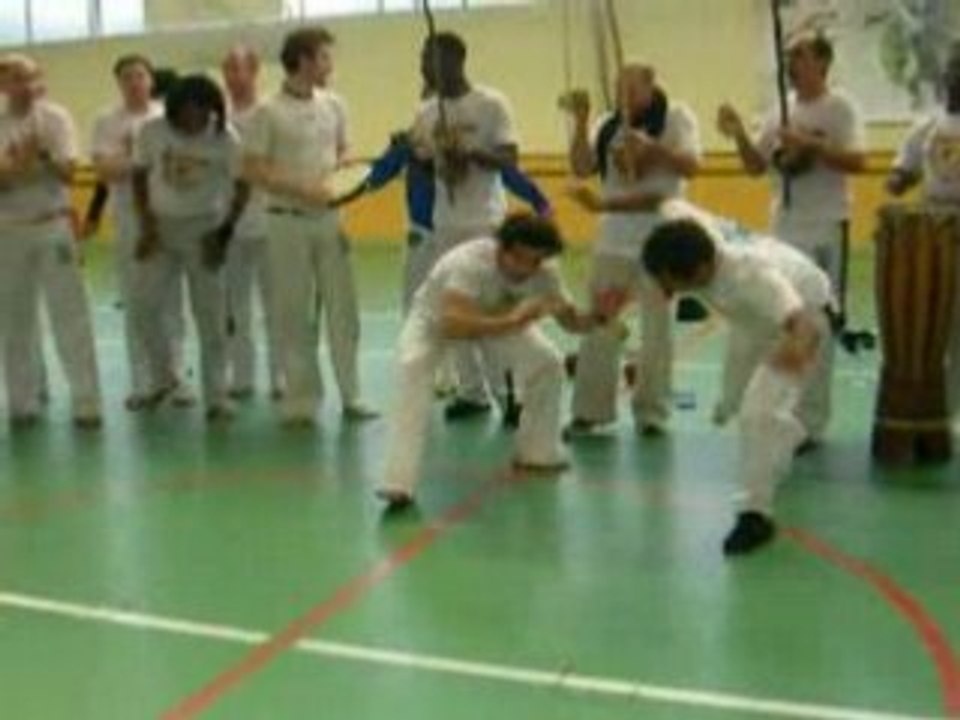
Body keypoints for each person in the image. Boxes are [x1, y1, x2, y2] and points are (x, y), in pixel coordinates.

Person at [642, 203, 835, 555]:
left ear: (699, 269)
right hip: (752, 324)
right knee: (733, 406)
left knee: (757, 414)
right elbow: (667, 203)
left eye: (671, 282)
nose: (667, 291)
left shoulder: (752, 278)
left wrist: (794, 353)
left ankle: (754, 515)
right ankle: (786, 431)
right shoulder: (696, 239)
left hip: (801, 321)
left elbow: (803, 324)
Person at [376, 213, 595, 511]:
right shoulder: (469, 263)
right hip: (435, 319)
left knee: (547, 364)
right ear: (501, 248)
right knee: (413, 369)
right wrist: (513, 320)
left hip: (496, 318)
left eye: (536, 261)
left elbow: (572, 323)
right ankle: (397, 483)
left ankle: (538, 452)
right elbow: (453, 324)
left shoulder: (545, 273)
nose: (526, 269)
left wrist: (600, 316)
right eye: (520, 258)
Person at [717, 32, 864, 452]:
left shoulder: (840, 107)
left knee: (818, 320)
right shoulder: (778, 112)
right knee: (781, 317)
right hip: (783, 227)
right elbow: (754, 167)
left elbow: (857, 161)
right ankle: (779, 409)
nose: (791, 63)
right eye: (788, 57)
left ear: (822, 62)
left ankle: (810, 422)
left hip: (826, 225)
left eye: (799, 55)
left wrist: (809, 145)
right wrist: (739, 135)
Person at [243, 27, 376, 426]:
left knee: (344, 310)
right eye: (324, 57)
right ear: (302, 60)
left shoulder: (335, 104)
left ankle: (352, 394)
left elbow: (343, 149)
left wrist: (344, 176)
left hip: (331, 220)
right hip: (286, 223)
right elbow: (253, 168)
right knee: (294, 313)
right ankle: (302, 399)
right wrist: (302, 189)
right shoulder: (267, 111)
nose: (330, 65)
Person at [563, 62, 701, 437]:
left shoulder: (676, 117)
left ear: (651, 85)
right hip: (613, 241)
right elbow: (582, 165)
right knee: (600, 321)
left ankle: (652, 411)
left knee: (658, 330)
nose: (623, 97)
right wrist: (580, 120)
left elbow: (690, 167)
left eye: (630, 89)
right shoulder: (608, 123)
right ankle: (590, 410)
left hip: (660, 241)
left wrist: (651, 149)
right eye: (617, 88)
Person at [411, 31, 520, 421]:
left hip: (485, 222)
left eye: (430, 58)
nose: (423, 67)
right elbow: (423, 163)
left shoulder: (490, 105)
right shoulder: (425, 114)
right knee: (453, 308)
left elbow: (509, 157)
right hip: (446, 224)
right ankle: (472, 392)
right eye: (422, 59)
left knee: (490, 308)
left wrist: (471, 153)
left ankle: (512, 394)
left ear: (455, 59)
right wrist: (434, 162)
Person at [131, 75, 248, 420]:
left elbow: (242, 188)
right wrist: (147, 227)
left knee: (210, 317)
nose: (194, 121)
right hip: (161, 227)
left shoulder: (226, 138)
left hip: (205, 229)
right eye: (186, 114)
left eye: (202, 113)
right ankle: (163, 377)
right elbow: (139, 177)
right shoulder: (152, 131)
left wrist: (223, 234)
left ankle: (217, 395)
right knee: (143, 307)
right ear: (173, 110)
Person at [0, 53, 101, 428]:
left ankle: (86, 401)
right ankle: (22, 402)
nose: (24, 85)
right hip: (8, 230)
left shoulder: (55, 118)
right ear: (2, 84)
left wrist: (34, 156)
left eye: (29, 77)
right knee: (14, 319)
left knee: (70, 315)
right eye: (14, 78)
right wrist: (22, 167)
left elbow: (67, 172)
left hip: (53, 225)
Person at [91, 53, 190, 409]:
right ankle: (145, 382)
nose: (135, 82)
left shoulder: (169, 117)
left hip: (170, 219)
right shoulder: (106, 120)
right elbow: (106, 170)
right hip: (130, 221)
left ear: (151, 80)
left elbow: (183, 167)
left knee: (172, 304)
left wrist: (133, 161)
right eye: (127, 77)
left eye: (140, 75)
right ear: (119, 83)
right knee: (137, 303)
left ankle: (176, 379)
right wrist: (142, 162)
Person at [887, 40, 960, 421]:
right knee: (937, 327)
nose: (955, 75)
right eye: (952, 68)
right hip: (934, 235)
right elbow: (903, 171)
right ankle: (941, 413)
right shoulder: (927, 127)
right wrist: (898, 179)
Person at [221, 45, 282, 400]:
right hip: (228, 224)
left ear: (255, 71)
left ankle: (280, 375)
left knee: (275, 304)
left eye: (239, 68)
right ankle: (241, 375)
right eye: (227, 68)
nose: (233, 76)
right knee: (234, 306)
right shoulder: (217, 117)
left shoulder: (270, 113)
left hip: (269, 219)